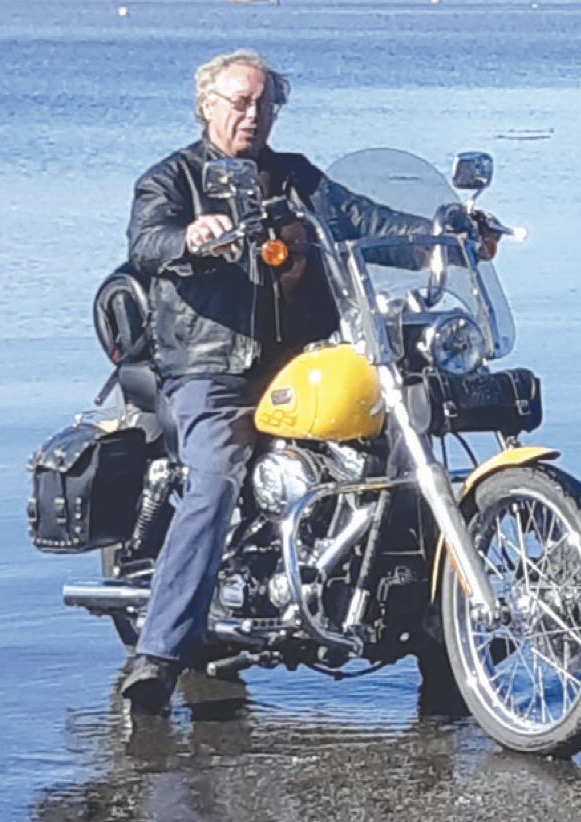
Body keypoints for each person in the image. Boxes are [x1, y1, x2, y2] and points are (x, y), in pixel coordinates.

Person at [121, 49, 434, 714]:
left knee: (393, 456)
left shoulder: (295, 179)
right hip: (215, 369)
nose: (252, 113)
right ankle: (158, 654)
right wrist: (190, 235)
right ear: (207, 104)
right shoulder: (171, 179)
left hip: (302, 359)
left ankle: (437, 637)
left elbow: (366, 221)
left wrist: (443, 232)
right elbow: (147, 241)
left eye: (264, 103)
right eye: (238, 101)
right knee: (215, 477)